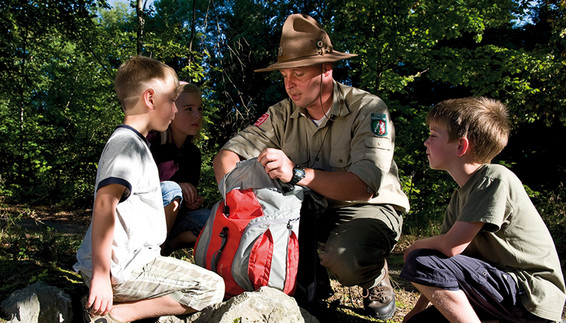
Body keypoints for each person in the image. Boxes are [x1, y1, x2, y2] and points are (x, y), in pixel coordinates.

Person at [213, 14, 409, 320]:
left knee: (345, 258)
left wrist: (298, 174)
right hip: (311, 207)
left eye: (299, 74)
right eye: (285, 76)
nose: (290, 85)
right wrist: (235, 197)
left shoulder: (368, 109)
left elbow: (363, 185)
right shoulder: (281, 113)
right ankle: (307, 288)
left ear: (326, 69)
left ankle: (372, 275)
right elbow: (228, 153)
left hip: (368, 206)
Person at [74, 55, 224, 323]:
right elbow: (104, 204)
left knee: (210, 282)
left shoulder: (137, 144)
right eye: (171, 102)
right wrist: (100, 274)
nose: (175, 110)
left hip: (136, 262)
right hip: (121, 269)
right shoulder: (126, 145)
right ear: (150, 99)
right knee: (211, 287)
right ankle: (117, 315)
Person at [400, 97, 566, 322]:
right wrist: (418, 310)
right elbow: (441, 263)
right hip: (498, 289)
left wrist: (416, 246)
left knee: (419, 257)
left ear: (461, 146)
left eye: (433, 135)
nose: (426, 143)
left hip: (529, 292)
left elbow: (450, 248)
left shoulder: (495, 177)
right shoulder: (460, 195)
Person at [148, 81, 210, 256]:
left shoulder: (193, 154)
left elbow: (183, 202)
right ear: (170, 110)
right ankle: (153, 255)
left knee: (215, 220)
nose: (197, 115)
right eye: (189, 109)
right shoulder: (150, 141)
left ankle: (168, 246)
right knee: (171, 188)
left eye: (200, 108)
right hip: (144, 218)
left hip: (174, 223)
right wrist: (178, 188)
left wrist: (192, 200)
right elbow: (136, 189)